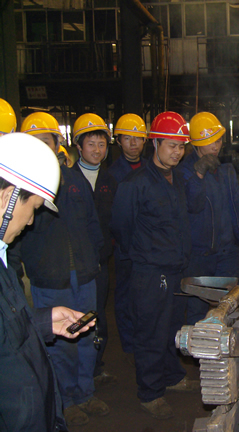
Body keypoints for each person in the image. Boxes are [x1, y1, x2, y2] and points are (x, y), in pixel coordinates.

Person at [12, 112, 107, 427]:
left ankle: (86, 392)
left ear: (57, 143)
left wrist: (94, 259)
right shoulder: (22, 183)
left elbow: (92, 222)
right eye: (36, 141)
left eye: (47, 140)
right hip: (50, 279)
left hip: (84, 275)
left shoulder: (74, 178)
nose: (43, 146)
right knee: (61, 344)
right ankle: (67, 400)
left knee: (87, 336)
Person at [110, 111, 195, 420]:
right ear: (155, 144)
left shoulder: (178, 178)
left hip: (176, 268)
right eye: (171, 145)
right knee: (151, 332)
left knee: (171, 327)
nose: (177, 152)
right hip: (150, 271)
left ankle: (171, 376)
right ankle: (150, 392)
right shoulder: (135, 183)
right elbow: (121, 227)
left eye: (181, 146)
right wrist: (145, 254)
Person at [176, 112, 239, 325]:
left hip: (228, 253)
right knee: (197, 310)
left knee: (232, 308)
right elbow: (193, 206)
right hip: (199, 256)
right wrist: (198, 176)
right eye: (210, 142)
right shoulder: (184, 171)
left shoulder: (226, 169)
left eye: (218, 140)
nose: (216, 146)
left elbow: (235, 206)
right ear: (196, 143)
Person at [71, 113, 118, 385]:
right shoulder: (67, 179)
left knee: (97, 314)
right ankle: (76, 371)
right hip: (73, 264)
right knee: (75, 316)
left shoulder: (110, 181)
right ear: (79, 146)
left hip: (99, 263)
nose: (97, 150)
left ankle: (95, 365)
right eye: (91, 144)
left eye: (101, 144)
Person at [109, 113, 148, 357]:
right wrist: (123, 244)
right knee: (125, 297)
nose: (133, 143)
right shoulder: (112, 174)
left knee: (145, 297)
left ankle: (144, 341)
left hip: (148, 246)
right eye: (127, 138)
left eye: (138, 138)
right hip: (125, 247)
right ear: (118, 141)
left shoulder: (152, 168)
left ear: (145, 141)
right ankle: (130, 346)